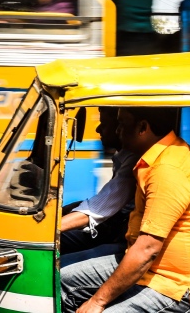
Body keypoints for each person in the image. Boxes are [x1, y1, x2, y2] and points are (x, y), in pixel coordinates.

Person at [61, 107, 190, 313]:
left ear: (143, 128)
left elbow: (147, 249)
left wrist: (97, 302)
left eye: (122, 124)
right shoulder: (152, 158)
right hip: (151, 266)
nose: (118, 130)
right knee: (60, 277)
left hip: (176, 285)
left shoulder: (168, 168)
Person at [60, 107, 137, 265]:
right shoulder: (120, 157)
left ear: (119, 129)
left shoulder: (133, 161)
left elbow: (96, 210)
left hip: (121, 237)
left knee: (62, 266)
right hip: (111, 227)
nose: (98, 129)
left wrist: (48, 229)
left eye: (104, 124)